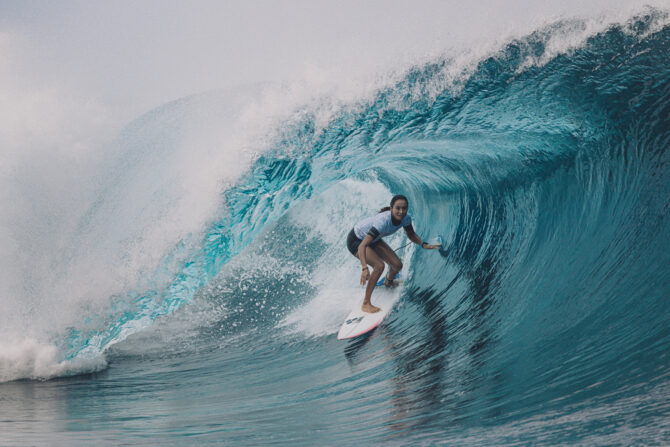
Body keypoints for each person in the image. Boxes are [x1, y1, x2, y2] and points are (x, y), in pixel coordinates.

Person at [346, 194, 440, 313]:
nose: (401, 211)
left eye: (404, 208)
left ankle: (388, 282)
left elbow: (411, 235)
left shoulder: (406, 219)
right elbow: (362, 246)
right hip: (356, 240)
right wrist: (364, 268)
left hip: (373, 239)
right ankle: (366, 303)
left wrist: (423, 244)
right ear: (391, 209)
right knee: (379, 266)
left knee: (397, 265)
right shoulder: (383, 221)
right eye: (398, 208)